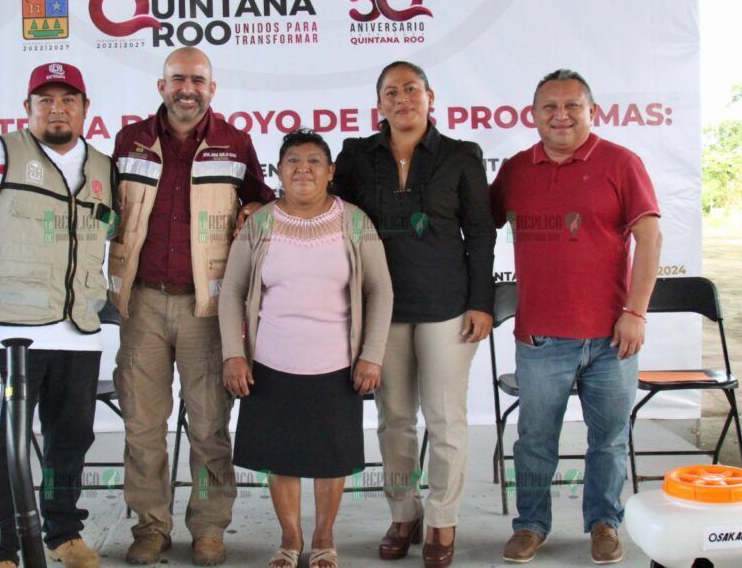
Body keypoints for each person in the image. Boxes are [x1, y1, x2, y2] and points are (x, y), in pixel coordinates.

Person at [109, 47, 275, 566]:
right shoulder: (129, 140)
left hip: (208, 310)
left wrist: (251, 207)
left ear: (212, 89)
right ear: (161, 87)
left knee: (208, 426)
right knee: (142, 425)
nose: (188, 88)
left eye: (198, 80)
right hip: (141, 306)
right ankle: (151, 526)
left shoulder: (234, 141)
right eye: (178, 79)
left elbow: (263, 200)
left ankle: (208, 527)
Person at [0, 62, 113, 568]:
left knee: (71, 439)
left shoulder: (103, 166)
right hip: (6, 333)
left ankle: (63, 532)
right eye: (45, 100)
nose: (57, 108)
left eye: (68, 99)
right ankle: (2, 545)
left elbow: (110, 237)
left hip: (79, 333)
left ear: (85, 109)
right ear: (28, 109)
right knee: (3, 445)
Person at [490, 69, 662, 564]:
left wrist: (637, 312)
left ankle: (605, 523)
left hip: (613, 338)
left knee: (609, 441)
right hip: (541, 339)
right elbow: (477, 224)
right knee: (535, 441)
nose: (560, 115)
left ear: (592, 111)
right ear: (534, 114)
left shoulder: (622, 163)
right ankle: (530, 525)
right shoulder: (517, 170)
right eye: (549, 107)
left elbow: (650, 240)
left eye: (572, 106)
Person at [334, 61, 495, 568]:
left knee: (446, 420)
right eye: (390, 92)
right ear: (378, 104)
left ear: (430, 96)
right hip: (382, 308)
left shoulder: (461, 156)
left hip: (448, 308)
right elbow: (331, 218)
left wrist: (482, 302)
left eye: (411, 89)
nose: (401, 98)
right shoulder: (356, 156)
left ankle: (443, 519)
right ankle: (404, 512)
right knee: (395, 420)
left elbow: (482, 234)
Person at [219, 129, 393, 568]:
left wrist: (372, 353)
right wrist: (233, 354)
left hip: (337, 364)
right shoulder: (259, 224)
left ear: (331, 171)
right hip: (271, 363)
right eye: (293, 160)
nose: (303, 169)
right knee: (283, 458)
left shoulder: (355, 220)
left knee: (331, 460)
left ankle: (323, 539)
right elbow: (232, 291)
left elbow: (381, 290)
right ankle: (290, 541)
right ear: (278, 171)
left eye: (315, 160)